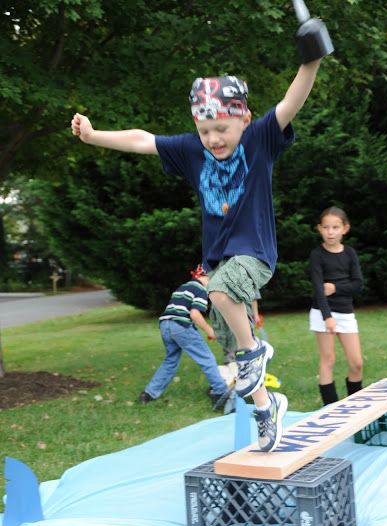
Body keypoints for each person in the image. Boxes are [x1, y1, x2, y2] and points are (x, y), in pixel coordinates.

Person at [71, 25, 331, 450]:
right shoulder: (193, 150)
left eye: (223, 130)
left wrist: (312, 60)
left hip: (254, 256)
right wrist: (94, 136)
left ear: (244, 119)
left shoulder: (260, 140)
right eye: (206, 131)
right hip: (219, 264)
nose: (214, 140)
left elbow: (290, 102)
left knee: (226, 299)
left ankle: (255, 353)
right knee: (231, 344)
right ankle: (268, 409)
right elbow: (142, 140)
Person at [138, 265, 230, 407]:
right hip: (180, 326)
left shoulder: (184, 286)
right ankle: (220, 392)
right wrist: (209, 330)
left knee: (171, 361)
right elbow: (194, 314)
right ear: (206, 277)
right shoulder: (201, 289)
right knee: (206, 358)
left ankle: (149, 393)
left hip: (165, 325)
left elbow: (179, 310)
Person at [309, 206, 363, 405]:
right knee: (328, 359)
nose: (330, 232)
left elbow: (358, 284)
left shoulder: (350, 254)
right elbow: (318, 289)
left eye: (335, 227)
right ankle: (330, 409)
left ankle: (356, 405)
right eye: (326, 227)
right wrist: (327, 317)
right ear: (319, 229)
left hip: (346, 313)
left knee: (356, 363)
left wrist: (335, 288)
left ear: (345, 229)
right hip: (322, 313)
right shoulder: (317, 255)